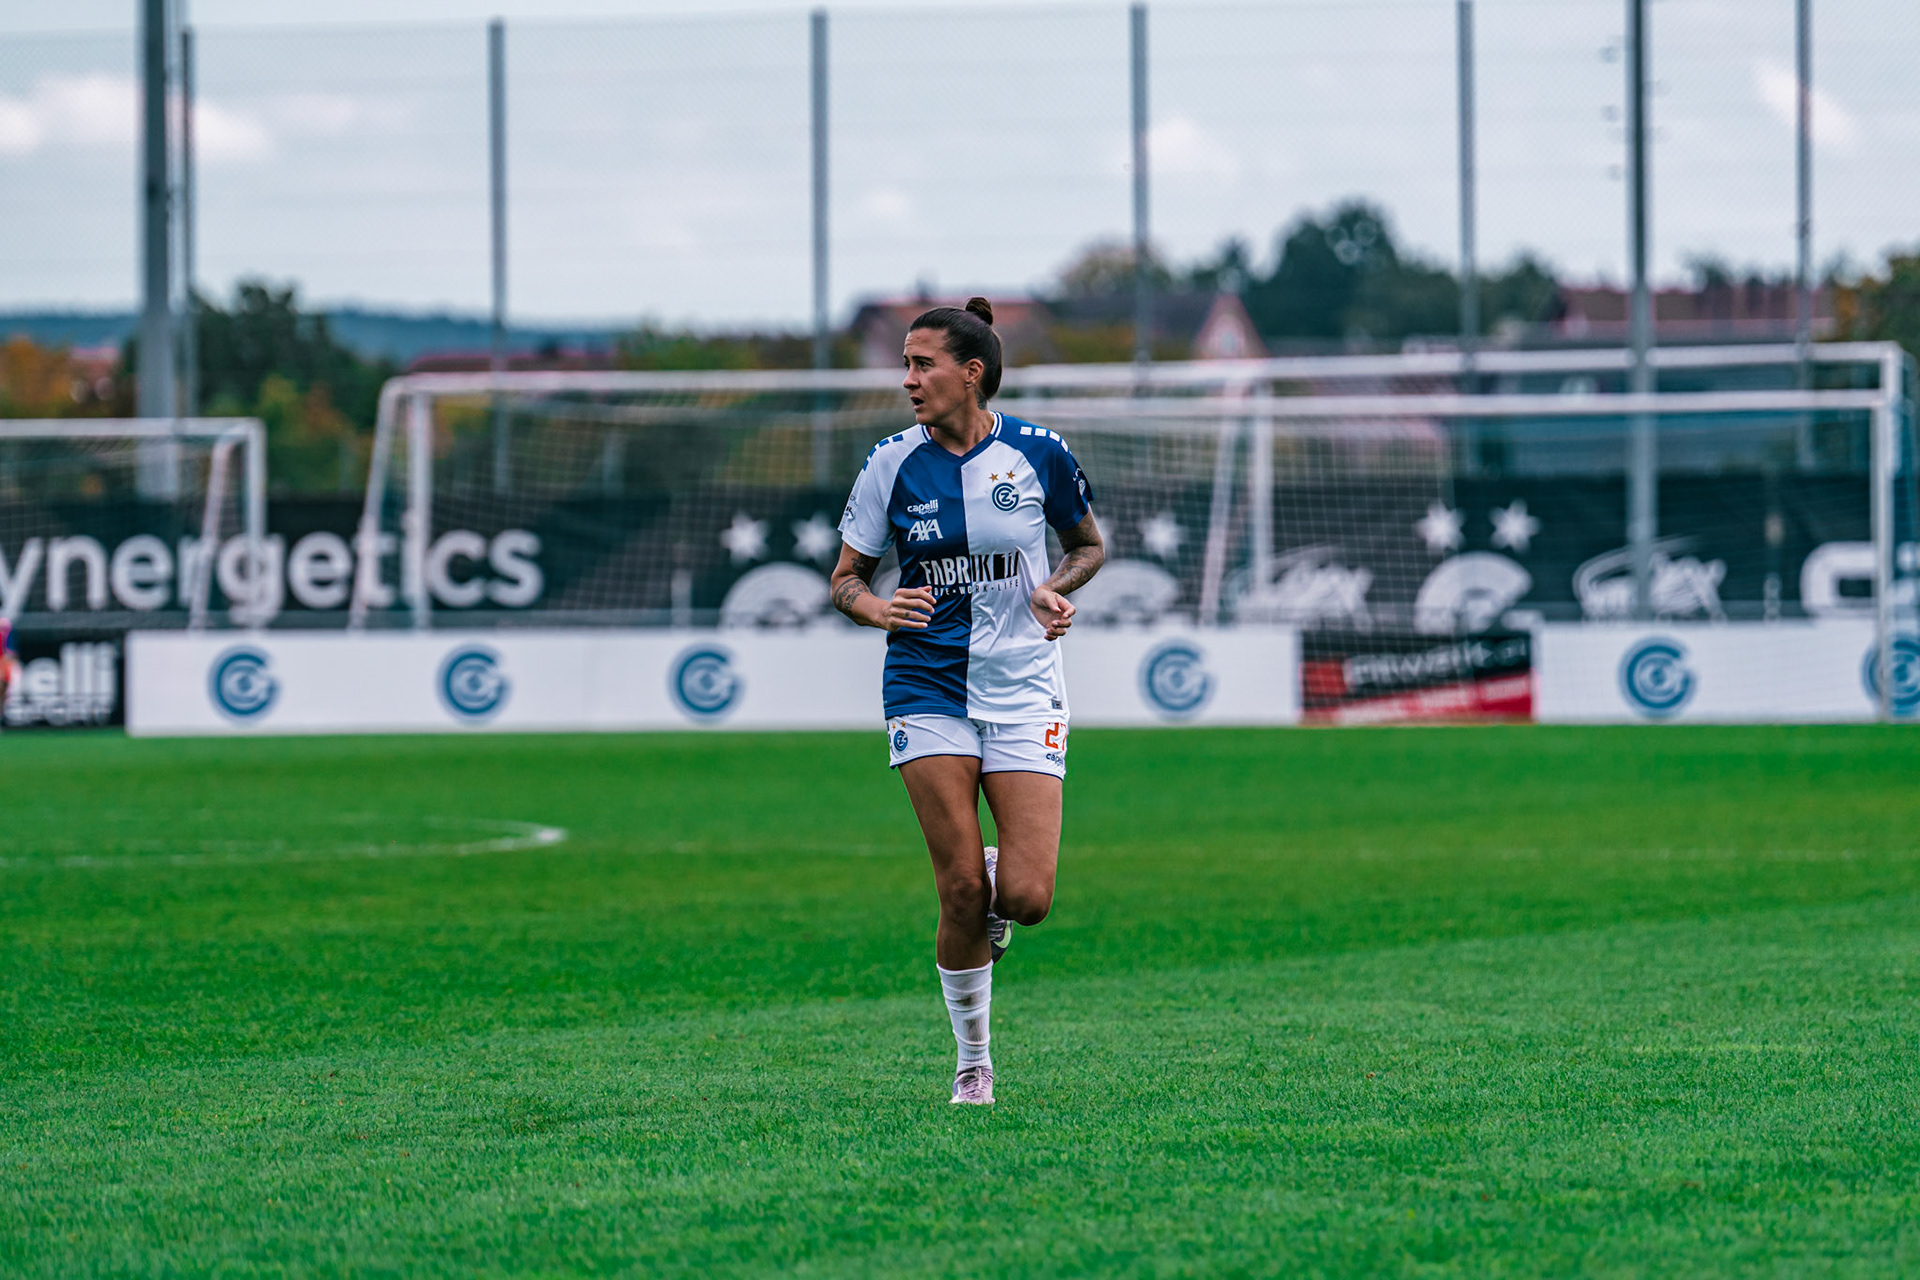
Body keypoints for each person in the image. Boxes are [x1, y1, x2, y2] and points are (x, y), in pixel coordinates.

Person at [830, 297, 1103, 1106]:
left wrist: (1055, 589)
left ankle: (995, 876)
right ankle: (972, 1062)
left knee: (1025, 898)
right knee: (957, 891)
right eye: (906, 364)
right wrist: (877, 608)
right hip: (926, 684)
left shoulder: (1038, 453)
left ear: (970, 372)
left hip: (1022, 685)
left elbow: (1086, 546)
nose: (907, 379)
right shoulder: (890, 462)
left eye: (923, 364)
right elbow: (845, 578)